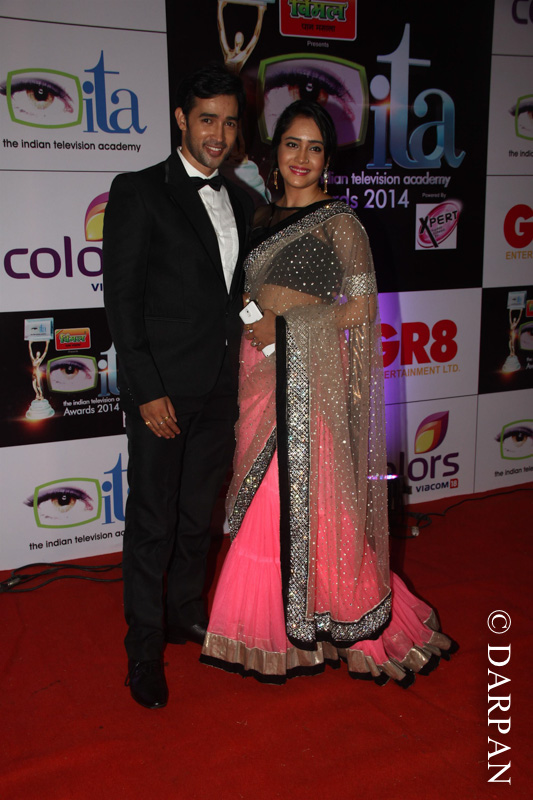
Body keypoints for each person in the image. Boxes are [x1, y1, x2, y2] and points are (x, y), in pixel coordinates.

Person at [200, 100, 454, 683]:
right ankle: (265, 628)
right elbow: (244, 293)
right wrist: (257, 324)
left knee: (317, 500)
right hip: (259, 373)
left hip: (310, 379)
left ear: (327, 160)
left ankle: (347, 619)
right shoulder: (259, 217)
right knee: (264, 500)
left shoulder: (341, 223)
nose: (302, 158)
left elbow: (360, 309)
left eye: (315, 148)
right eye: (292, 144)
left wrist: (287, 328)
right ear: (274, 153)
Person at [103, 63, 254, 709]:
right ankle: (142, 650)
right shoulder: (139, 191)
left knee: (198, 515)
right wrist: (145, 389)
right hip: (162, 390)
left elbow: (235, 299)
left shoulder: (242, 200)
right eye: (206, 120)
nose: (218, 134)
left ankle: (184, 611)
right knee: (152, 520)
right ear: (180, 121)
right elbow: (122, 301)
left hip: (222, 387)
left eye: (229, 122)